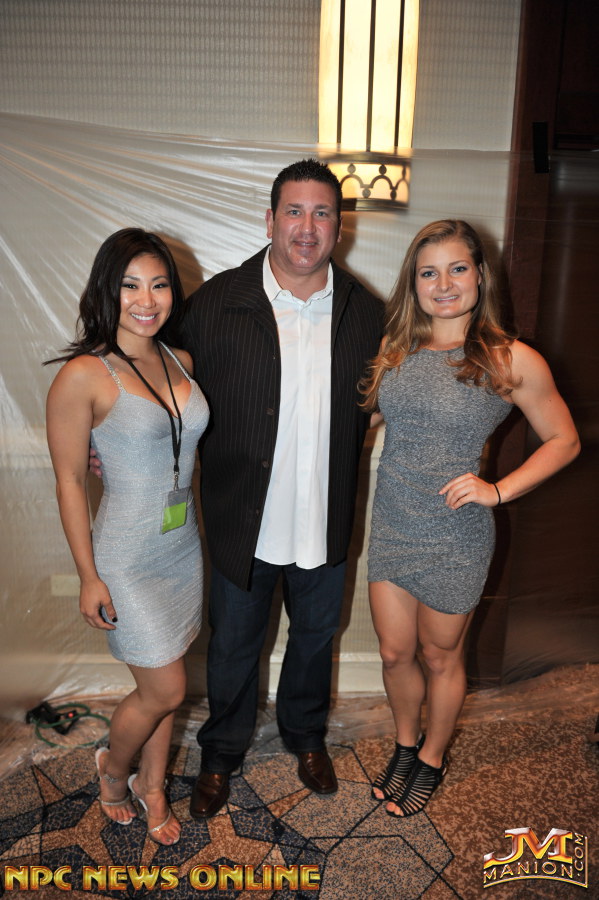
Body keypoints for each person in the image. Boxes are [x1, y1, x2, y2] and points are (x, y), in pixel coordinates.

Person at [181, 159, 384, 818]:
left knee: (315, 638)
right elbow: (160, 384)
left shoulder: (366, 312)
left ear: (339, 228)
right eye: (294, 211)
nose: (306, 227)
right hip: (242, 518)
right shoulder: (215, 303)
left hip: (323, 514)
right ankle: (221, 752)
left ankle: (305, 735)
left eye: (322, 213)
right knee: (234, 644)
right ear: (269, 220)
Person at [362, 219, 580, 817]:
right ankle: (406, 746)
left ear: (481, 275)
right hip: (392, 522)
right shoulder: (396, 350)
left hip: (455, 533)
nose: (444, 284)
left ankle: (432, 758)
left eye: (457, 269)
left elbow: (564, 440)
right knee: (394, 653)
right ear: (413, 283)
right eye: (428, 273)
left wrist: (499, 490)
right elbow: (367, 423)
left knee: (441, 657)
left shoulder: (508, 358)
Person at [46, 228, 209, 844]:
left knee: (163, 684)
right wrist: (89, 576)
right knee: (166, 687)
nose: (147, 299)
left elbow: (180, 446)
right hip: (126, 555)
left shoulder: (180, 359)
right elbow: (69, 481)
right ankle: (114, 772)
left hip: (182, 545)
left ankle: (154, 783)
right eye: (130, 285)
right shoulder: (84, 375)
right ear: (106, 292)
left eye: (159, 284)